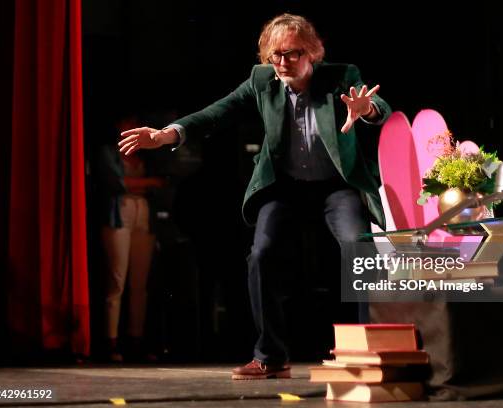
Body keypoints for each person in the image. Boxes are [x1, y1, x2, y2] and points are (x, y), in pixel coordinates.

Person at [118, 13, 391, 378]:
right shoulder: (262, 81)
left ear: (312, 53)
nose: (282, 62)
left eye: (292, 54)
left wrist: (368, 110)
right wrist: (168, 134)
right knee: (261, 254)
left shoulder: (341, 76)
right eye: (276, 55)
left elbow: (380, 108)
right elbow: (218, 112)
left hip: (335, 186)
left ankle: (370, 349)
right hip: (285, 186)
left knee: (359, 248)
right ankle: (270, 357)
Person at [94, 114, 165, 362]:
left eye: (135, 123)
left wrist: (136, 183)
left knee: (140, 284)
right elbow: (115, 183)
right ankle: (111, 342)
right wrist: (142, 184)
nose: (132, 127)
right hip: (119, 215)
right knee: (117, 280)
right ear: (118, 127)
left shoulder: (146, 154)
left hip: (143, 216)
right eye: (127, 123)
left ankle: (136, 340)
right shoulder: (108, 153)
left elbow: (160, 181)